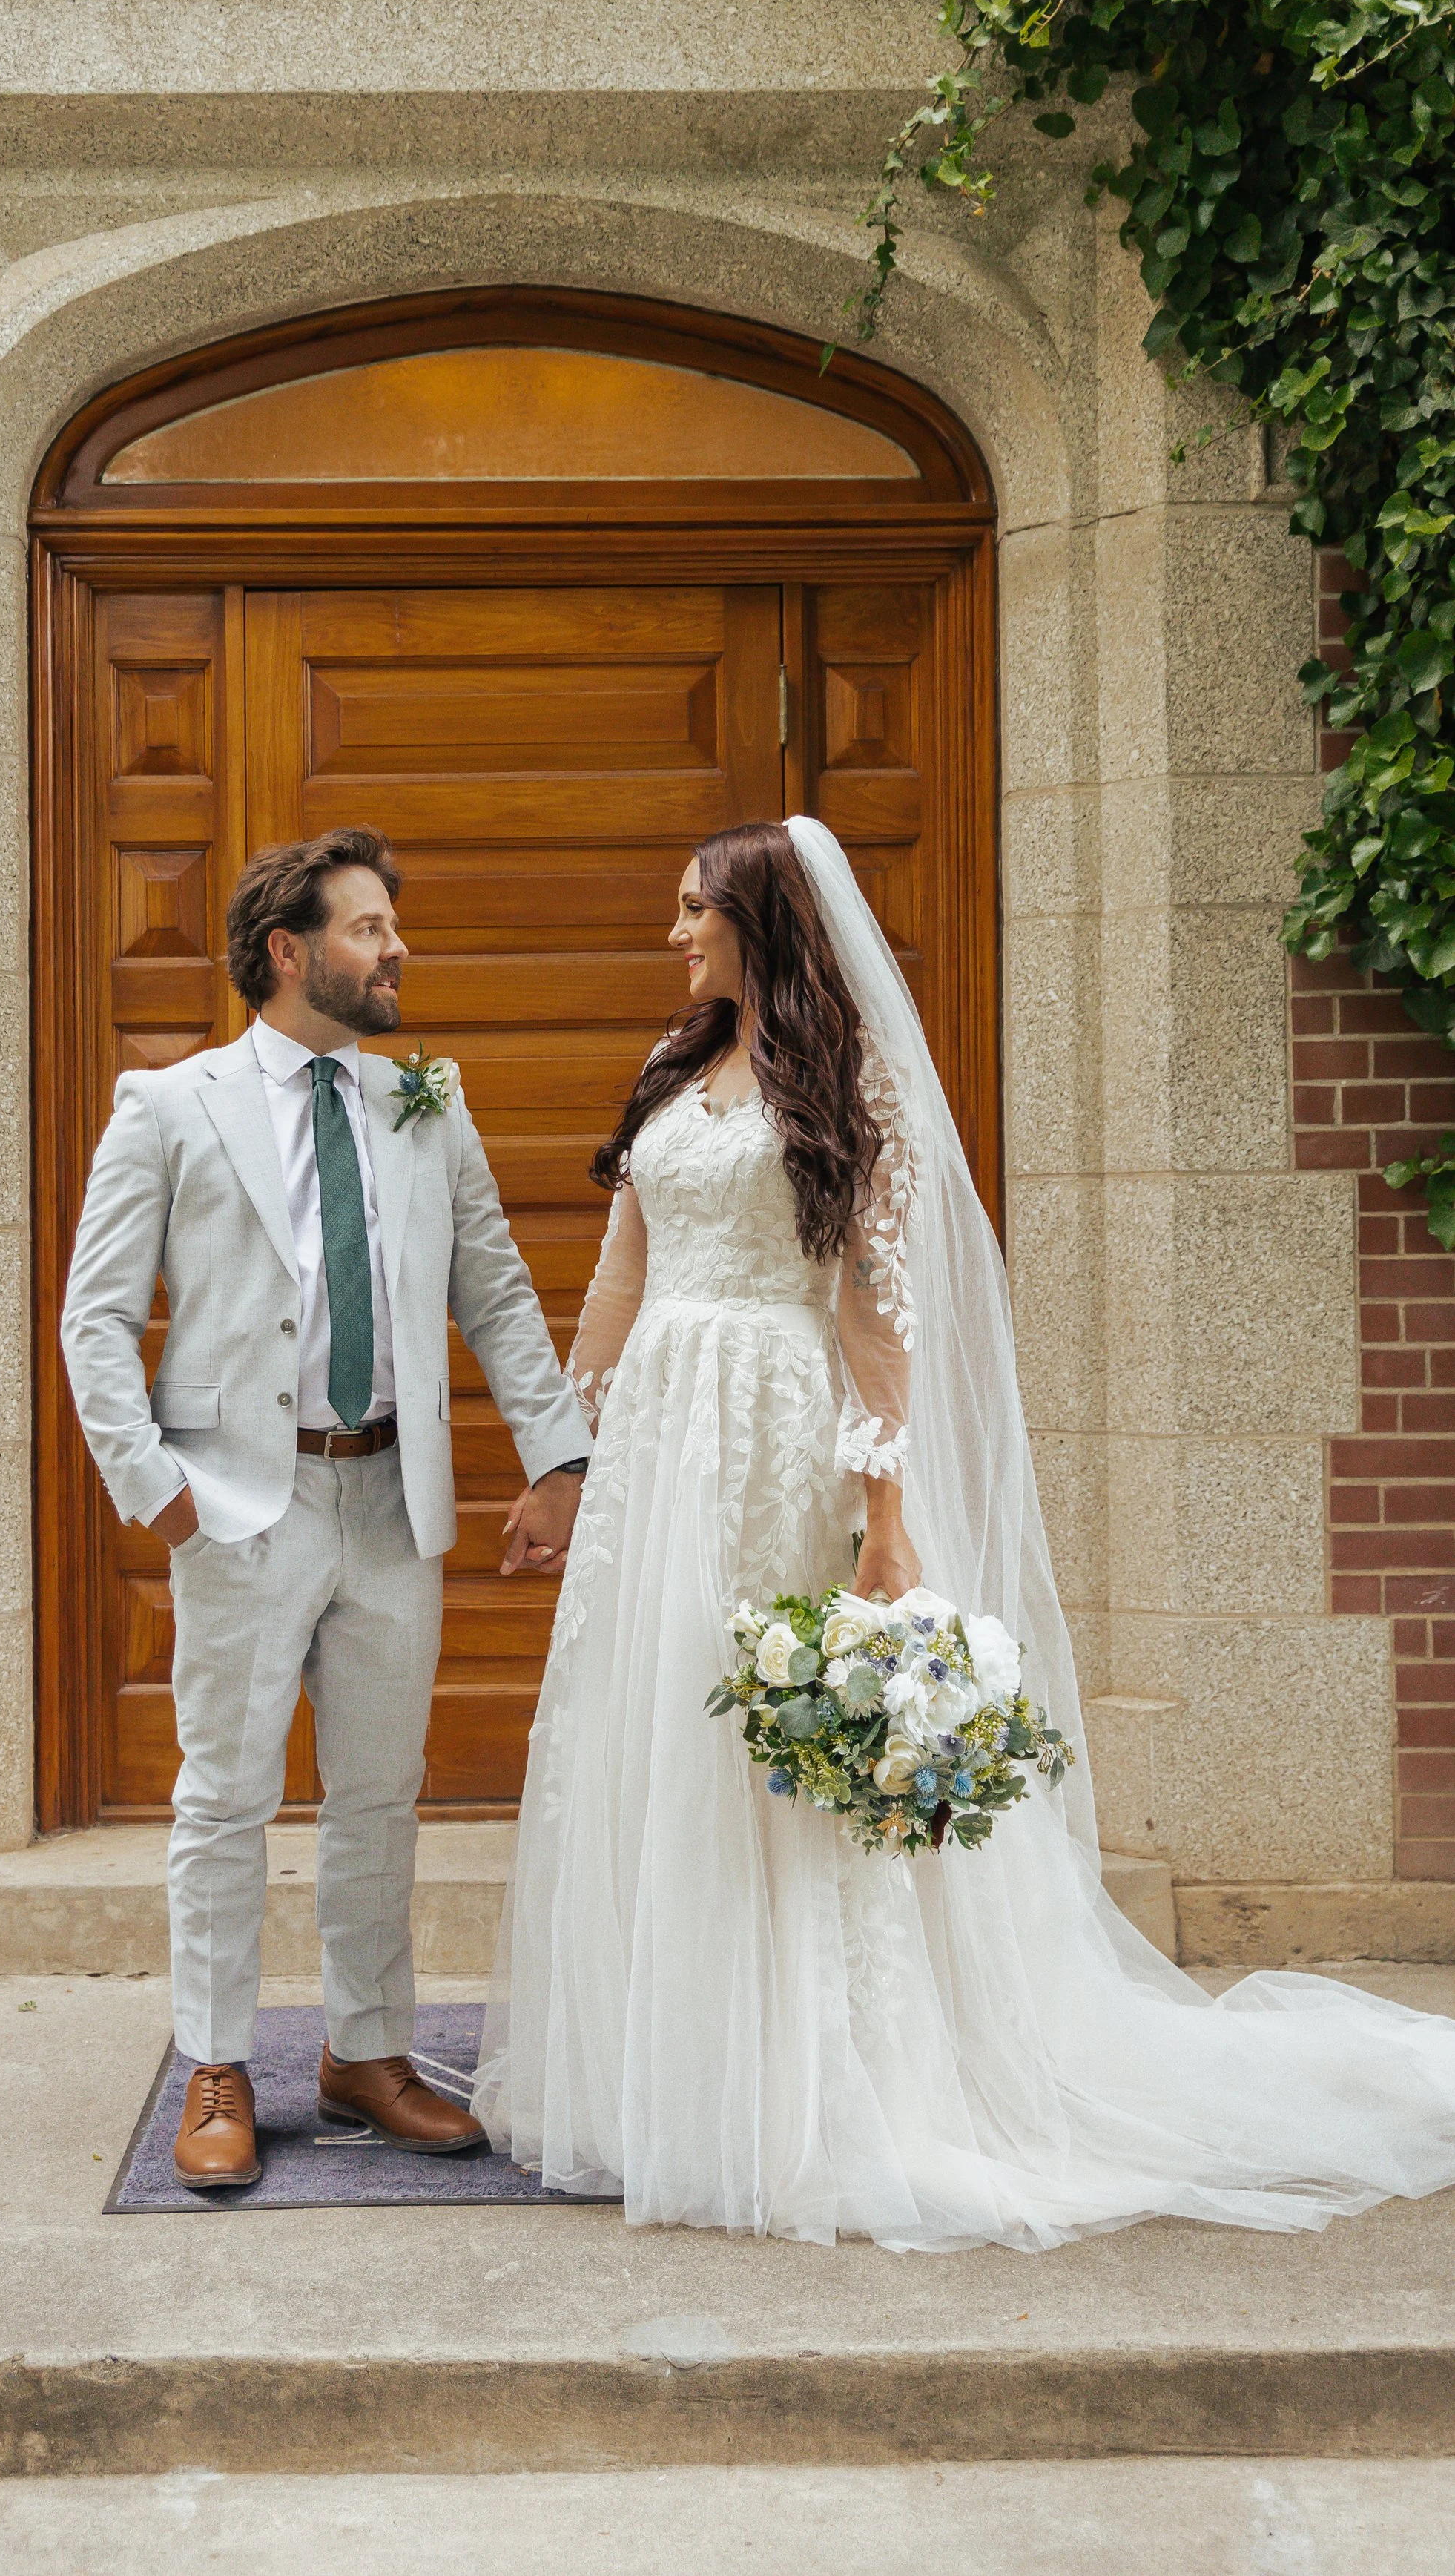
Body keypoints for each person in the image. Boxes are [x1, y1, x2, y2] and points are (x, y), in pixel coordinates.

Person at [475, 817, 1455, 2250]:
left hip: (776, 1442)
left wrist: (885, 1517)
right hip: (657, 1457)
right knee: (653, 1740)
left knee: (770, 1753)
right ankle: (665, 2075)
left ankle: (816, 2088)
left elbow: (879, 1319)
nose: (675, 932)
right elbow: (621, 1276)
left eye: (696, 909)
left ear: (764, 918)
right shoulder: (673, 1068)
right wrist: (570, 1457)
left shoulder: (851, 1085)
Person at [62, 826, 593, 2190]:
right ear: (290, 951)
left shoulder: (428, 1103)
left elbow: (497, 1290)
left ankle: (368, 2054)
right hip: (243, 1500)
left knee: (379, 1796)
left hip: (390, 1494)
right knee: (226, 1794)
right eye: (368, 928)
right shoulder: (170, 1106)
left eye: (394, 927)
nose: (396, 948)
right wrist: (161, 1494)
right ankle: (219, 2064)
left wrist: (558, 1459)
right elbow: (95, 1318)